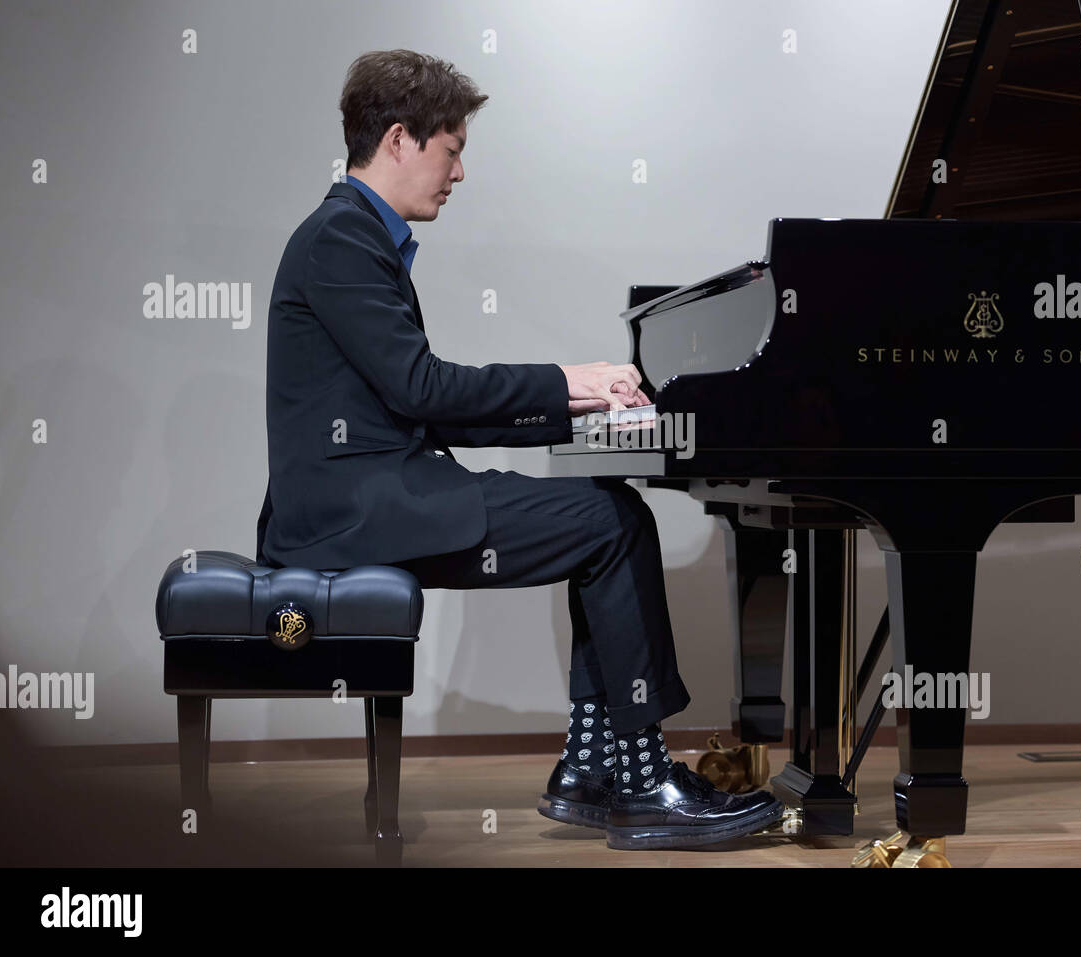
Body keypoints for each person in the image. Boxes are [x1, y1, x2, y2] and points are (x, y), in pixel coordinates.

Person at [255, 49, 782, 850]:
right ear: (399, 140)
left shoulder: (352, 234)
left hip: (368, 498)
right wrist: (572, 378)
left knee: (604, 515)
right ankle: (639, 780)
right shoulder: (341, 240)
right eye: (452, 148)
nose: (459, 172)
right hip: (349, 515)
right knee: (613, 525)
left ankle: (590, 765)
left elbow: (422, 405)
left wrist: (582, 406)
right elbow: (425, 392)